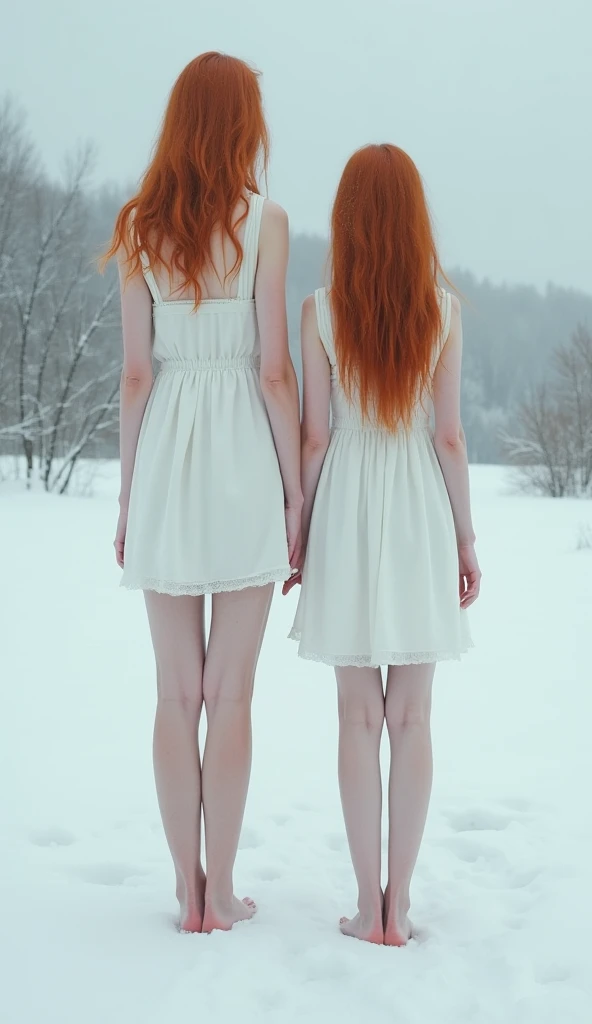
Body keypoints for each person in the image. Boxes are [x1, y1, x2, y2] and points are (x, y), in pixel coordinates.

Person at [103, 52, 302, 934]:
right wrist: (298, 496)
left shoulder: (139, 227)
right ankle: (219, 892)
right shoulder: (266, 222)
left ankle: (185, 886)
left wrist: (127, 495)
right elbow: (274, 372)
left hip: (167, 462)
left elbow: (136, 376)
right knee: (233, 693)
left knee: (173, 693)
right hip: (245, 464)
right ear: (243, 123)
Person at [285, 144, 480, 946]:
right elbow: (451, 437)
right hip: (419, 511)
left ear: (348, 222)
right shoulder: (444, 310)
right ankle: (402, 905)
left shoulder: (321, 311)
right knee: (414, 718)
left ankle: (370, 907)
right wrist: (465, 538)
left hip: (347, 513)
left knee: (357, 718)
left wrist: (298, 533)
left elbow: (316, 439)